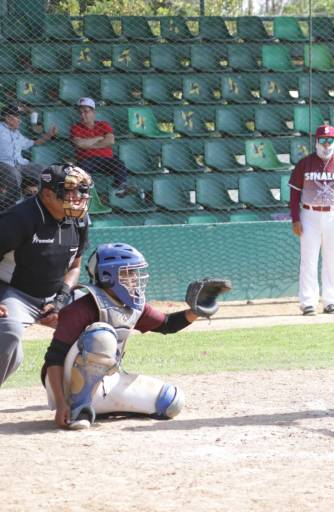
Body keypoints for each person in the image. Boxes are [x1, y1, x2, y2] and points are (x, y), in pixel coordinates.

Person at [42, 243, 231, 429]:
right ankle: (77, 408)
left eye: (134, 273)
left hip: (106, 380)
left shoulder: (132, 305)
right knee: (102, 335)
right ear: (108, 276)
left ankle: (96, 407)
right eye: (127, 273)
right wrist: (60, 403)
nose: (134, 278)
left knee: (171, 401)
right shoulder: (81, 307)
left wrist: (195, 312)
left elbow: (166, 324)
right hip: (64, 383)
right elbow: (54, 358)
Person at [0, 163, 92, 388]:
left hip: (54, 296)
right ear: (48, 194)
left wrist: (60, 301)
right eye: (70, 191)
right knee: (9, 333)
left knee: (102, 323)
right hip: (15, 293)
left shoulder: (80, 219)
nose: (78, 197)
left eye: (82, 190)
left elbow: (75, 267)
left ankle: (84, 394)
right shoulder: (18, 219)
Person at [289, 125, 334, 316]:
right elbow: (294, 194)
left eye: (330, 140)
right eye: (322, 140)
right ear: (316, 141)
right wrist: (295, 219)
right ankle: (308, 302)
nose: (326, 144)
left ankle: (331, 301)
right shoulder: (304, 164)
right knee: (308, 259)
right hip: (309, 215)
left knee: (333, 260)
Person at [0, 104, 57, 211]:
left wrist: (49, 135)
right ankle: (15, 208)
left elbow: (34, 143)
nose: (20, 120)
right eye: (17, 117)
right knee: (14, 174)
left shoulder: (17, 133)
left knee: (43, 170)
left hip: (21, 164)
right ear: (7, 118)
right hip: (3, 164)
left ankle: (43, 203)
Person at [69, 97, 130, 197]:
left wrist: (88, 145)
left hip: (106, 160)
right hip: (87, 160)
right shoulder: (75, 127)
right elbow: (79, 144)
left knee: (119, 163)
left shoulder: (103, 125)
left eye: (86, 111)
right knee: (81, 169)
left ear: (93, 112)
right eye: (80, 112)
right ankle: (83, 193)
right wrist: (99, 138)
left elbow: (110, 141)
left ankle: (120, 188)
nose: (83, 115)